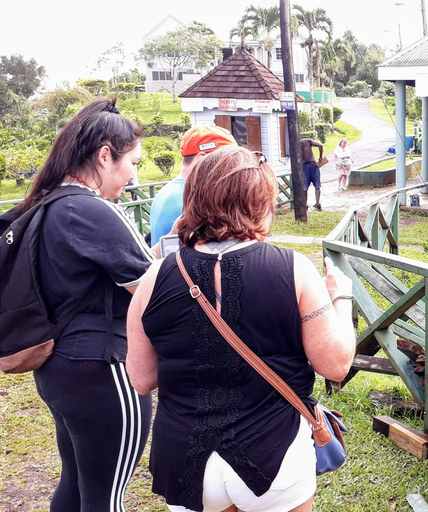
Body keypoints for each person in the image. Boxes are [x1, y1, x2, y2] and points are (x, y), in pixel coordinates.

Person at [127, 146, 356, 512]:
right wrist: (340, 299)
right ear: (261, 204)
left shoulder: (154, 278)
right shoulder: (293, 269)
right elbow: (336, 365)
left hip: (185, 457)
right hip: (274, 449)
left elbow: (141, 379)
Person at [13, 98, 156, 511]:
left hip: (60, 370)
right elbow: (154, 291)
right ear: (105, 155)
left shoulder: (48, 203)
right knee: (105, 500)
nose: (135, 174)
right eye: (134, 161)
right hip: (103, 373)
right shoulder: (91, 210)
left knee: (76, 487)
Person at [149, 125, 237, 246]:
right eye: (226, 161)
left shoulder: (171, 190)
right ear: (203, 159)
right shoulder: (189, 198)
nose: (232, 168)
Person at [300, 137, 324, 211]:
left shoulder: (297, 144)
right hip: (314, 166)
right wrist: (320, 157)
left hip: (304, 166)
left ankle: (304, 205)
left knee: (304, 187)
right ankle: (317, 204)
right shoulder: (308, 141)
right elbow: (320, 145)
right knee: (317, 186)